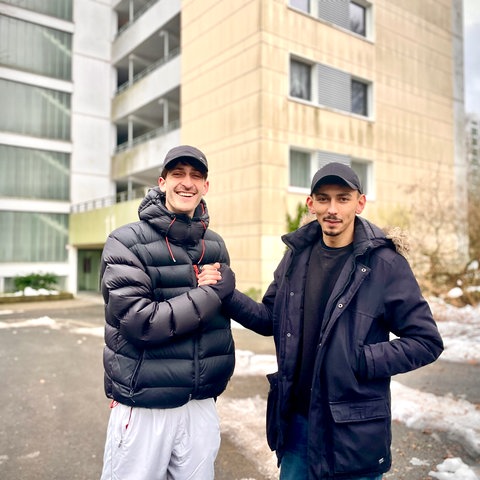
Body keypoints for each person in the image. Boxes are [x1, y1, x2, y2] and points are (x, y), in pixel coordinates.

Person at [221, 162, 444, 480]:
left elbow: (426, 341)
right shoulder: (295, 258)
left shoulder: (385, 265)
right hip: (297, 425)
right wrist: (227, 295)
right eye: (323, 198)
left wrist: (362, 359)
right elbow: (270, 319)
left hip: (351, 429)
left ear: (360, 202)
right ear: (310, 204)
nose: (333, 208)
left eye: (343, 198)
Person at [99, 145, 236, 480]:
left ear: (206, 186)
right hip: (146, 402)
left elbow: (219, 315)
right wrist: (210, 294)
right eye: (178, 174)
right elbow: (140, 322)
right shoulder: (125, 242)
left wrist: (228, 288)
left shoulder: (214, 244)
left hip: (200, 402)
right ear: (162, 182)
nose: (186, 183)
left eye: (196, 176)